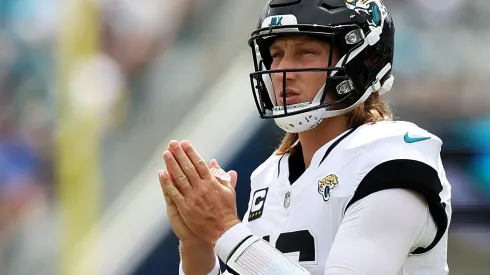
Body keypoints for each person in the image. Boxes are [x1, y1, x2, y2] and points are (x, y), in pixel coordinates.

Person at [158, 0, 452, 274]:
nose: (282, 70)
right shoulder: (271, 175)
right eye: (276, 54)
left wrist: (224, 228)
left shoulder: (392, 160)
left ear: (360, 60)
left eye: (305, 52)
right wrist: (197, 244)